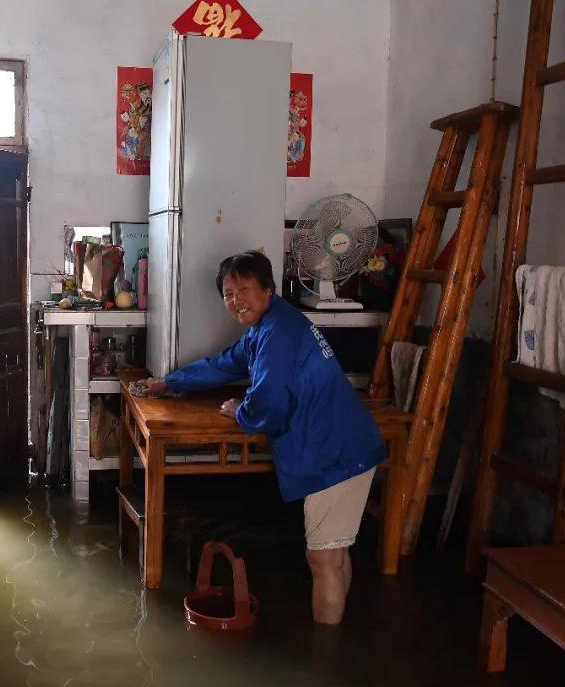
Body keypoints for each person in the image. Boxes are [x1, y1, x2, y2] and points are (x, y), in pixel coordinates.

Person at [133, 251, 384, 625]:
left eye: (244, 289)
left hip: (335, 452)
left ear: (268, 289)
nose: (236, 301)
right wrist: (168, 383)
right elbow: (224, 364)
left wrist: (241, 411)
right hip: (342, 445)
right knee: (336, 552)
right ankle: (335, 649)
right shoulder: (268, 327)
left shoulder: (278, 332)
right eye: (229, 293)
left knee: (324, 559)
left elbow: (269, 400)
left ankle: (325, 665)